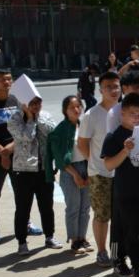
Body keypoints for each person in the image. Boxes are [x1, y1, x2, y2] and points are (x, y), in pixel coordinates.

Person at [101, 93, 139, 277]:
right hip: (127, 194)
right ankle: (137, 271)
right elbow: (108, 165)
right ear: (122, 114)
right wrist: (125, 151)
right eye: (133, 114)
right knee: (131, 234)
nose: (137, 118)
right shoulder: (114, 136)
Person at [0, 68, 42, 246]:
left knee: (23, 192)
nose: (6, 82)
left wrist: (11, 148)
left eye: (9, 79)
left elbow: (27, 125)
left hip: (18, 153)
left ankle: (25, 223)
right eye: (1, 79)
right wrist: (2, 152)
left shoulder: (17, 100)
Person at [10, 94, 61, 255]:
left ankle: (49, 236)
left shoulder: (45, 116)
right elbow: (26, 137)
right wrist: (30, 119)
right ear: (24, 103)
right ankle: (22, 242)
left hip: (44, 169)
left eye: (38, 103)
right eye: (32, 103)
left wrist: (37, 118)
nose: (36, 106)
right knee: (23, 208)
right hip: (23, 170)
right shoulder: (15, 118)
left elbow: (53, 133)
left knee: (47, 206)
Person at [78, 71, 120, 266]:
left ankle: (118, 252)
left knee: (120, 217)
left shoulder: (124, 111)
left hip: (122, 172)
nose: (113, 90)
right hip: (100, 174)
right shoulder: (91, 115)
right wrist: (94, 162)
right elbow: (82, 144)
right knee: (102, 215)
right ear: (100, 90)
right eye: (108, 87)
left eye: (116, 86)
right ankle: (102, 251)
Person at [47, 95, 92, 254]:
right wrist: (75, 175)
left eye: (78, 106)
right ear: (65, 110)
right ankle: (74, 240)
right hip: (69, 170)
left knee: (85, 207)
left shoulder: (83, 126)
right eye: (72, 107)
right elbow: (59, 158)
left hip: (86, 167)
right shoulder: (60, 130)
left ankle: (82, 237)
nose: (76, 109)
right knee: (73, 207)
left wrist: (89, 172)